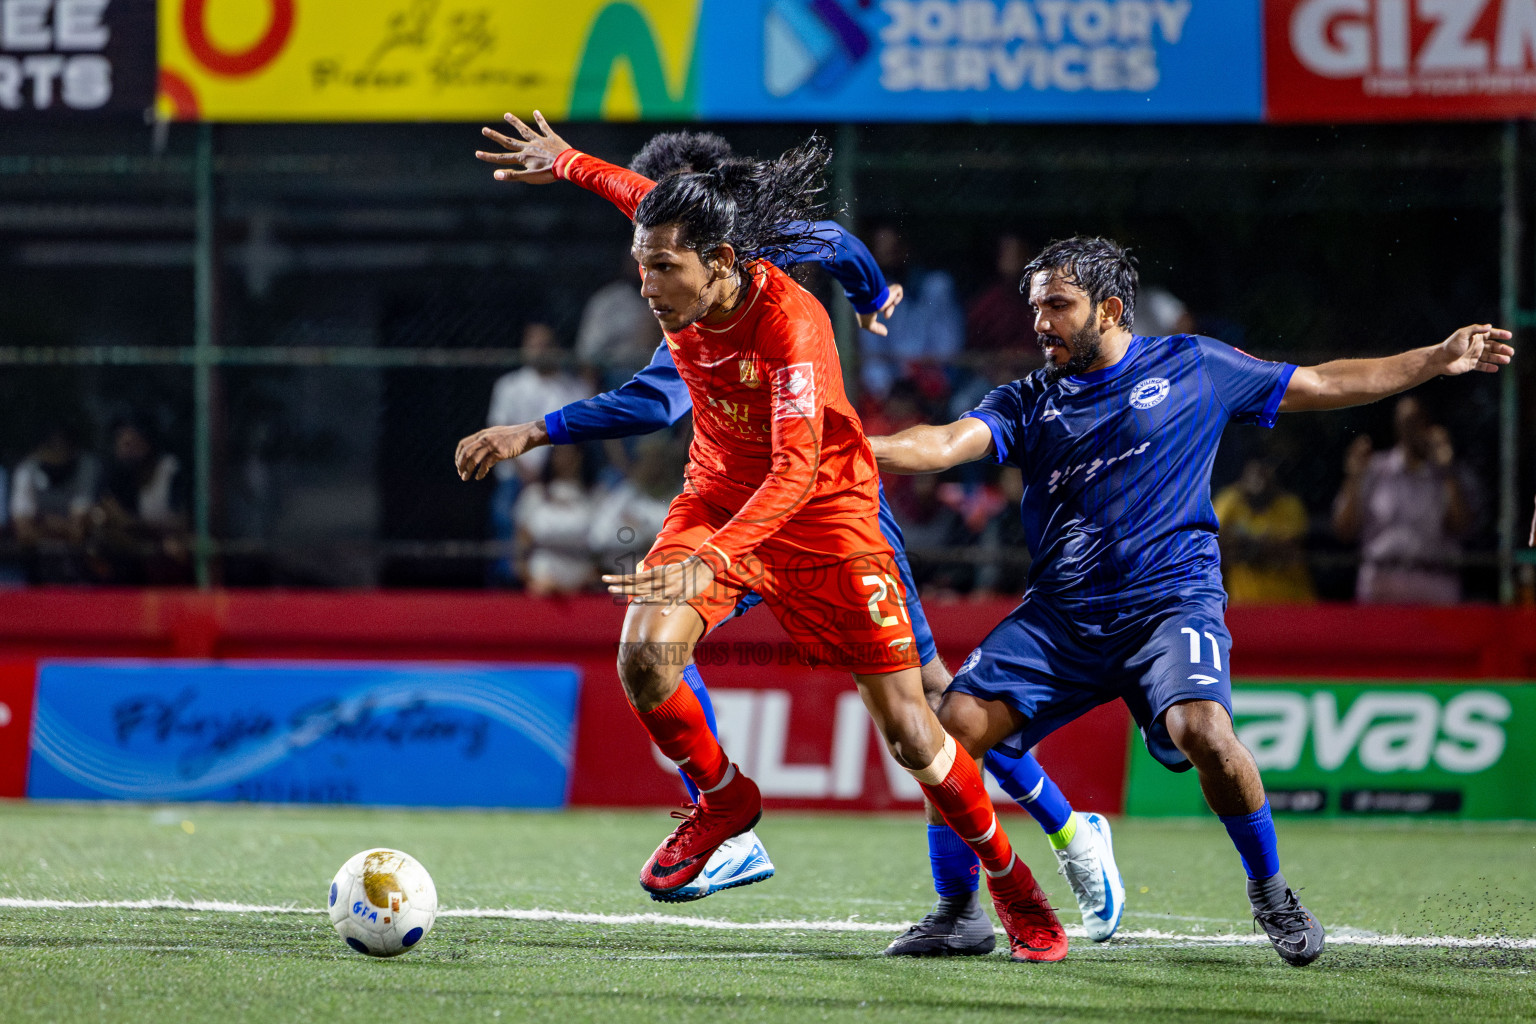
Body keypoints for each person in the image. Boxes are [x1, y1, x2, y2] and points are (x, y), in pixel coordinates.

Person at [463, 128, 1125, 954]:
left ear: (721, 257)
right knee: (644, 657)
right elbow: (626, 192)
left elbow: (793, 468)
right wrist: (560, 160)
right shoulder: (669, 235)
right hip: (716, 501)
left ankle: (1018, 881)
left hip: (826, 516)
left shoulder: (790, 322)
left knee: (919, 730)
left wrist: (871, 293)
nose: (647, 288)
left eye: (663, 270)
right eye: (642, 267)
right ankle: (726, 803)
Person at [869, 235, 1513, 967]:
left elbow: (1327, 383)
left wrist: (1434, 358)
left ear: (1110, 309)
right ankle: (959, 914)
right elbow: (948, 442)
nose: (1040, 322)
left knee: (1204, 729)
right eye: (1035, 306)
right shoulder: (1025, 400)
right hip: (1063, 616)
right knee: (949, 733)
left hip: (1170, 604)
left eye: (1058, 305)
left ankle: (1270, 889)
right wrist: (862, 447)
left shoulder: (1194, 366)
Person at [1331, 396, 1472, 605]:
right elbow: (1344, 530)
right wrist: (1354, 478)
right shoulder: (1375, 470)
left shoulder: (1447, 475)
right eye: (1403, 422)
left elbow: (1462, 526)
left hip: (1433, 585)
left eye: (1415, 421)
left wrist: (1446, 470)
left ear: (1428, 424)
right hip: (1381, 584)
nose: (1410, 430)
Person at [485, 322, 592, 584]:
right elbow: (497, 438)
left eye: (544, 345)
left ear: (556, 348)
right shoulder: (509, 386)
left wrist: (556, 476)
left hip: (563, 476)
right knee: (504, 510)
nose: (538, 350)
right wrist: (529, 475)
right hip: (517, 475)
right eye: (533, 344)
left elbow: (584, 439)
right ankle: (505, 583)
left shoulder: (575, 388)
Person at [86, 417, 191, 585]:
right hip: (132, 559)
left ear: (148, 443)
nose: (126, 451)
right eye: (122, 444)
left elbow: (181, 525)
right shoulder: (116, 475)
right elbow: (105, 517)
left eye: (132, 443)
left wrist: (130, 522)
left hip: (166, 558)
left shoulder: (170, 471)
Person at [1212, 457, 1315, 604]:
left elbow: (1288, 549)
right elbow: (1211, 541)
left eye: (1264, 474)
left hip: (1291, 601)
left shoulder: (1289, 505)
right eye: (1253, 475)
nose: (1259, 481)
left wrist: (1244, 544)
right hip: (1245, 605)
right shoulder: (1233, 502)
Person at [10, 424, 98, 583]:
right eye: (51, 445)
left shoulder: (86, 467)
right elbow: (24, 533)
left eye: (62, 444)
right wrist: (62, 527)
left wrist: (42, 522)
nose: (57, 451)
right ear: (40, 449)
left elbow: (78, 532)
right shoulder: (28, 469)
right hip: (36, 564)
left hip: (80, 564)